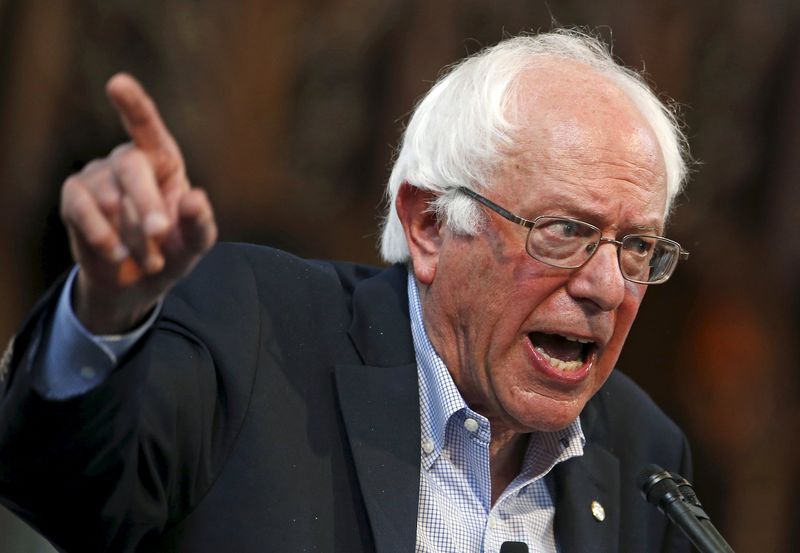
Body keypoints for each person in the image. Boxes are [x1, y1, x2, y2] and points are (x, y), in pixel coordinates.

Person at [0, 30, 693, 552]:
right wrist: (102, 318)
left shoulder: (644, 457)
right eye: (564, 230)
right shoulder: (256, 333)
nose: (607, 284)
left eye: (636, 246)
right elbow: (59, 486)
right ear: (428, 225)